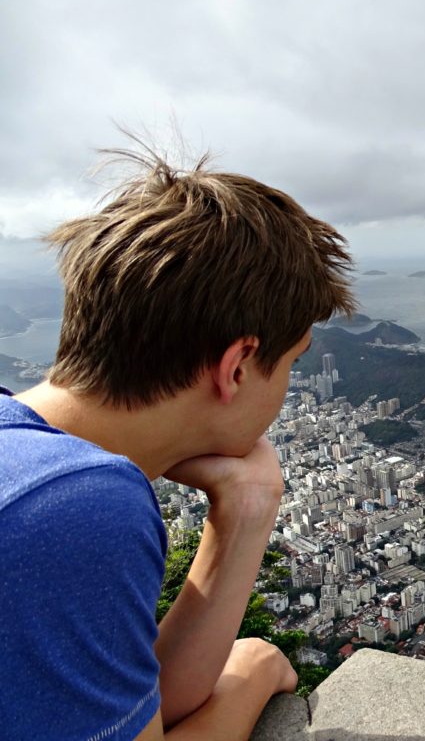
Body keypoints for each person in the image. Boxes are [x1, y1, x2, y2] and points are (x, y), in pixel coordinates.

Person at [0, 143, 355, 740]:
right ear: (237, 366)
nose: (288, 388)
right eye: (291, 363)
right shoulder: (69, 505)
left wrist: (247, 509)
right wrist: (252, 675)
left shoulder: (27, 461)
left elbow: (127, 708)